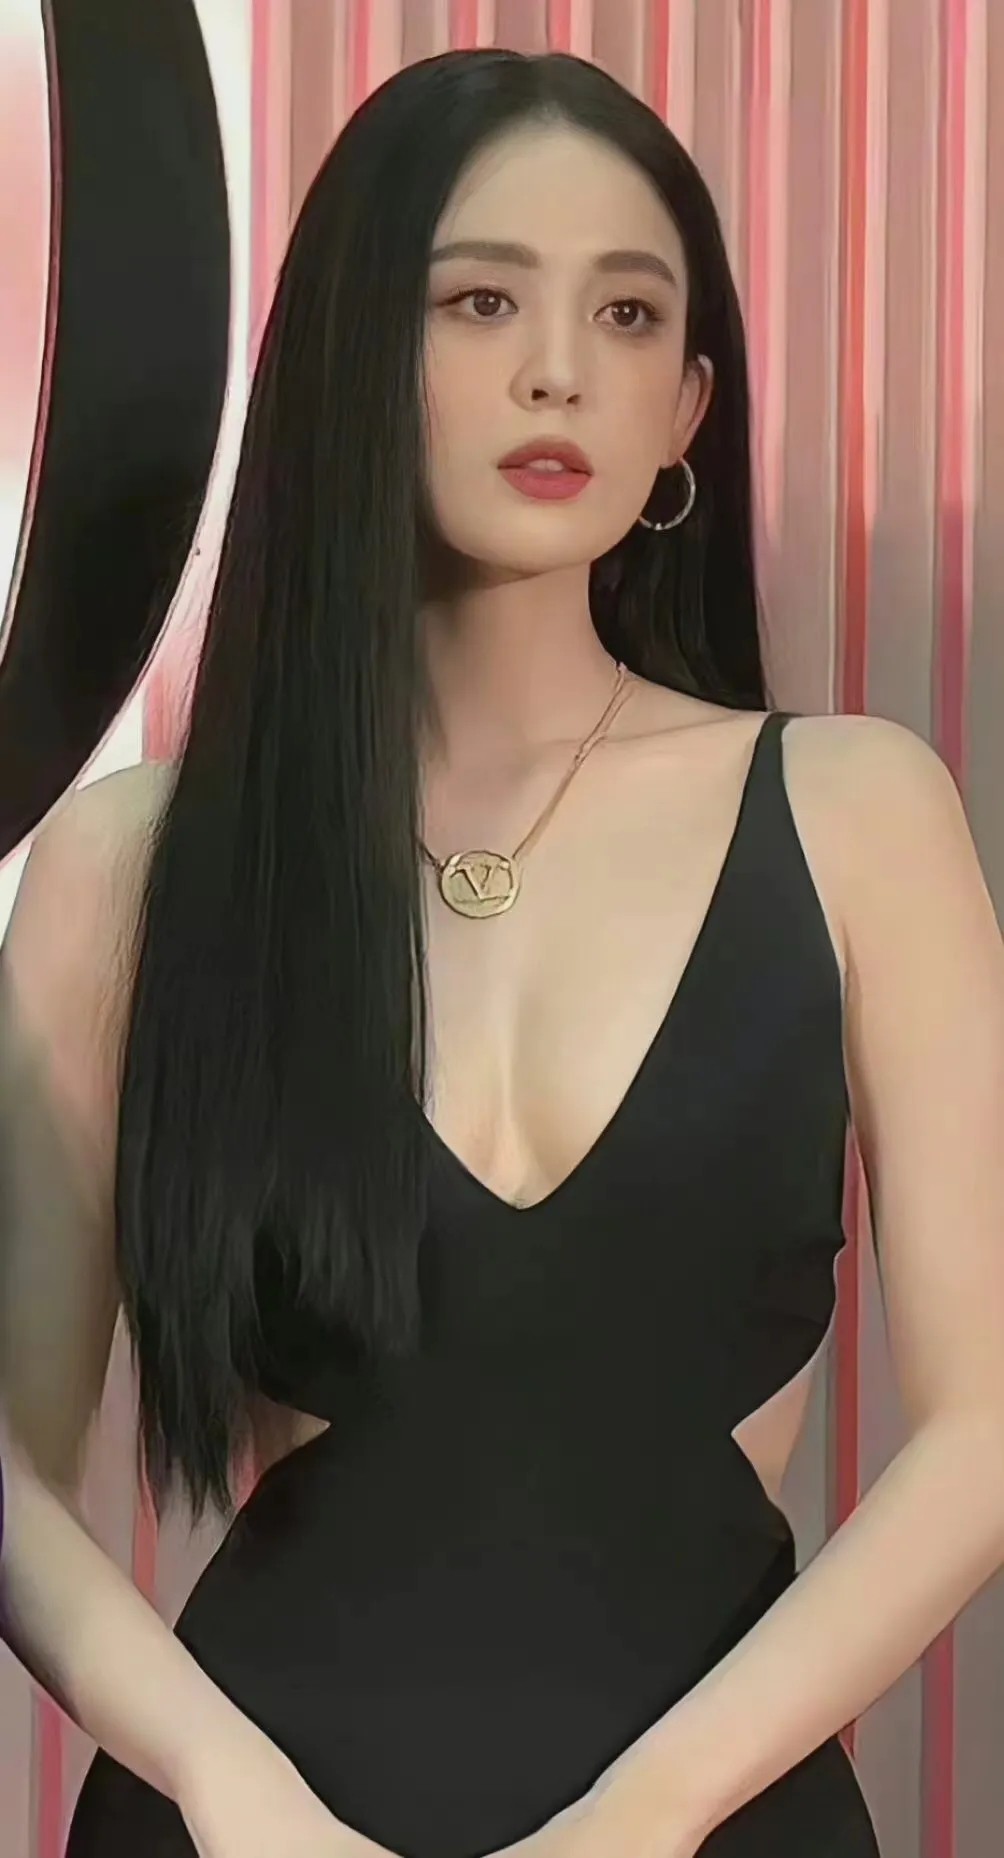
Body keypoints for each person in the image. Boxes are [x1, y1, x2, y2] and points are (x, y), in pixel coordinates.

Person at [2, 44, 1004, 1858]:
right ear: (348, 354)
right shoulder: (134, 864)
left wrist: (655, 1811)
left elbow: (987, 1426)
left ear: (689, 405)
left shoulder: (858, 815)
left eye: (629, 314)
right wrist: (229, 1789)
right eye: (480, 301)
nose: (561, 370)